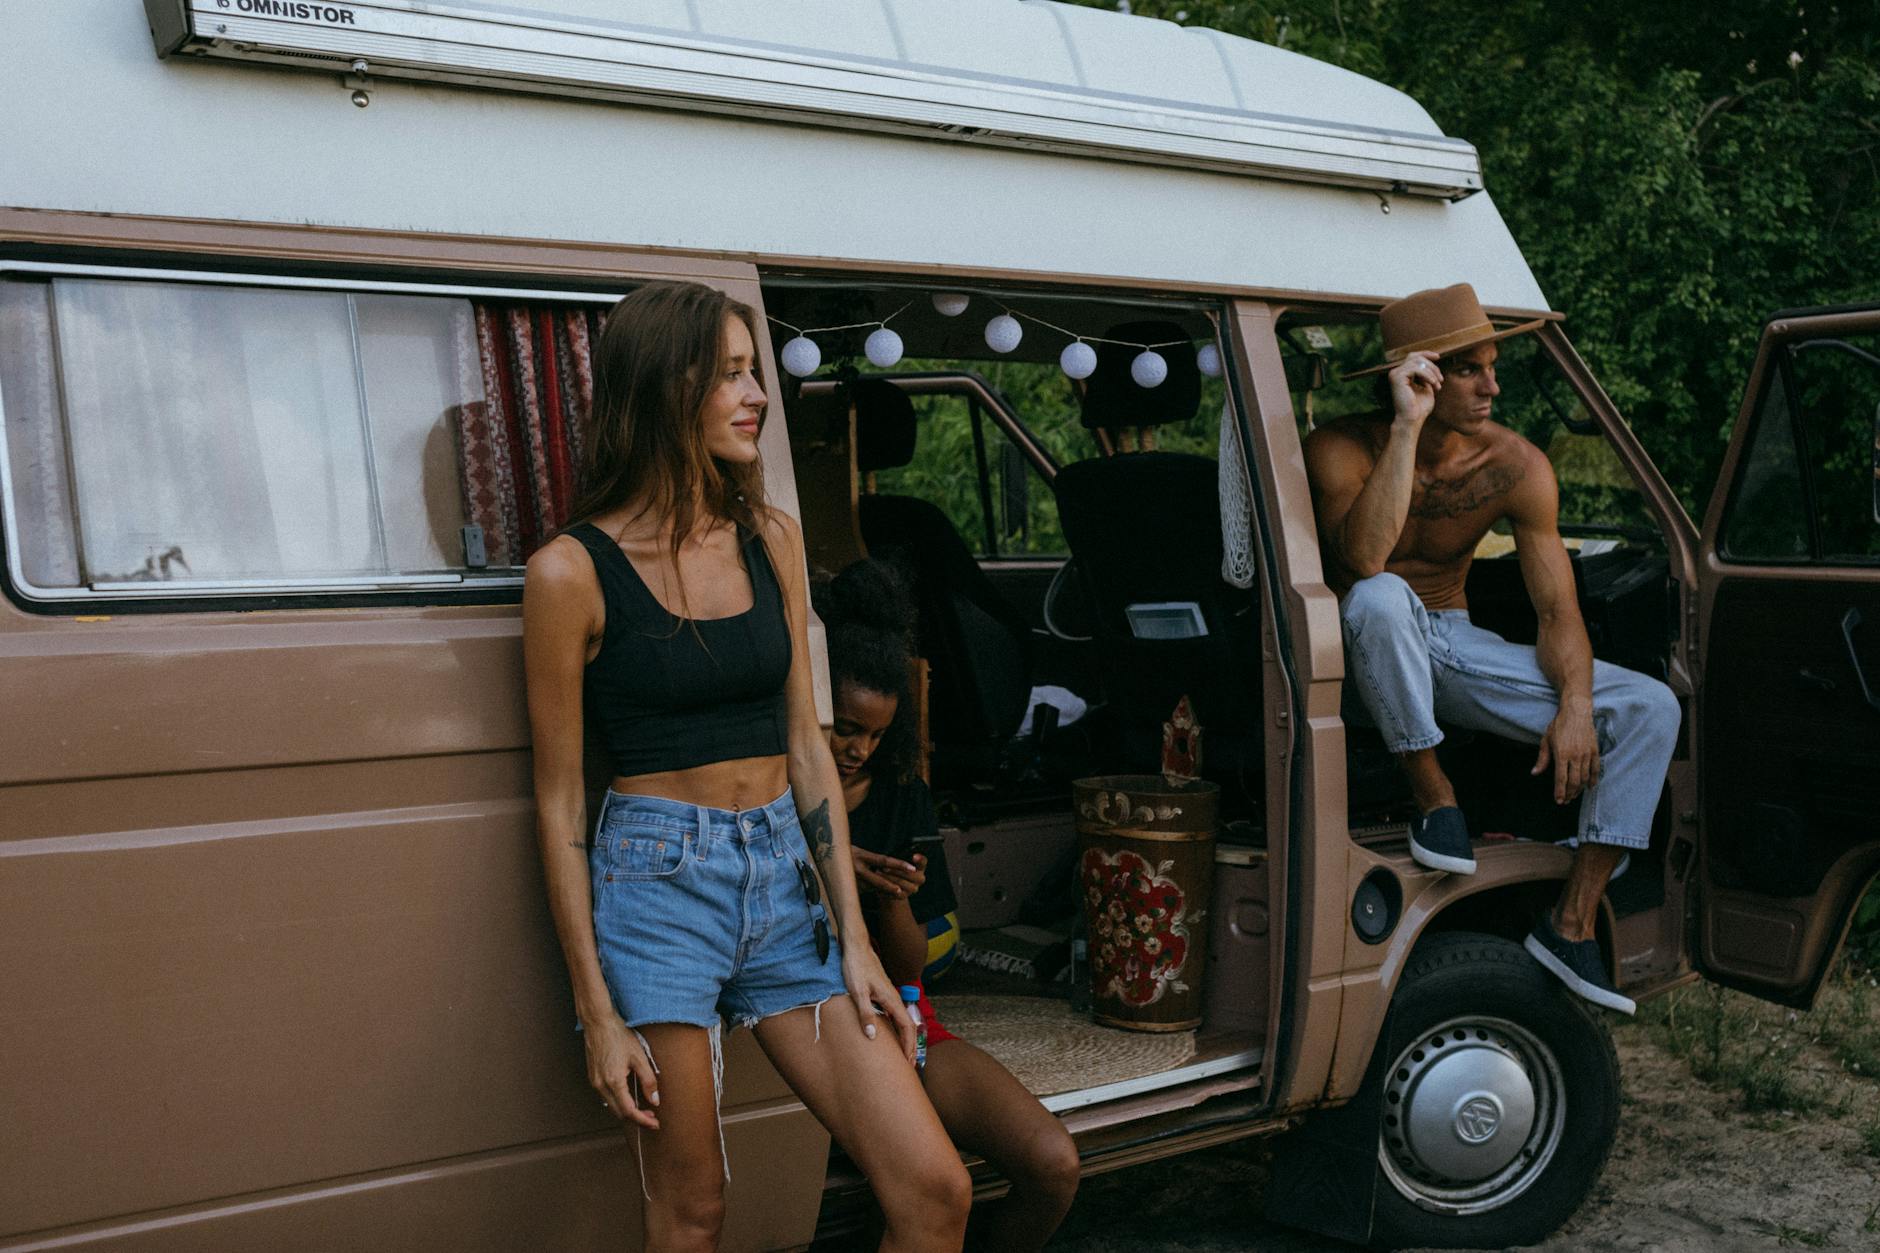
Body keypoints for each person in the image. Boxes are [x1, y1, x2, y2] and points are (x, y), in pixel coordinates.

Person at [523, 281, 971, 1252]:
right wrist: (595, 1010)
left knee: (935, 1191)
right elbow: (558, 802)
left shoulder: (770, 537)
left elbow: (806, 743)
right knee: (693, 1215)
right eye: (727, 373)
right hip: (655, 887)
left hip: (785, 882)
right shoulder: (568, 571)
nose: (754, 394)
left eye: (752, 372)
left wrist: (852, 936)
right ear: (658, 387)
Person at [1302, 283, 1681, 1015]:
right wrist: (1408, 428)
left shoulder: (1515, 465)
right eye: (1470, 368)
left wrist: (1574, 705)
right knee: (1380, 597)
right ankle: (1433, 794)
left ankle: (1570, 925)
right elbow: (1367, 563)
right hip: (1346, 660)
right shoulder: (1341, 449)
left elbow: (1556, 607)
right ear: (1421, 374)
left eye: (1492, 365)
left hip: (1449, 643)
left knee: (1649, 706)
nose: (1492, 385)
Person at [817, 558, 1081, 1252]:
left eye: (876, 735)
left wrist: (890, 899)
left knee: (1054, 1164)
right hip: (818, 1022)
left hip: (903, 1014)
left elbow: (914, 970)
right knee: (916, 1190)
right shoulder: (770, 789)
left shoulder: (901, 794)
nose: (857, 748)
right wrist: (834, 866)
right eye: (844, 728)